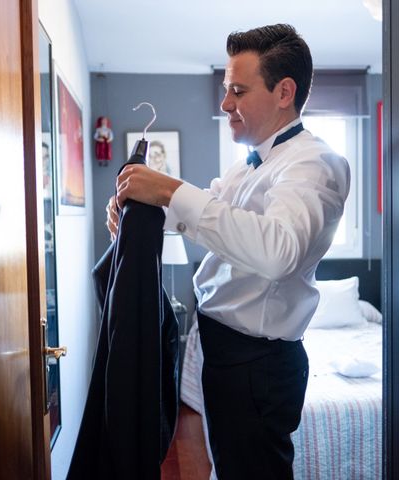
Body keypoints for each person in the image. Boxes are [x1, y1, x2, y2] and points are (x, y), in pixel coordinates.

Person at [108, 24, 350, 479]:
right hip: (224, 352)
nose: (224, 105)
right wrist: (142, 213)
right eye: (225, 90)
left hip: (256, 365)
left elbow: (278, 251)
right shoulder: (250, 165)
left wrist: (171, 190)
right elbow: (209, 213)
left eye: (238, 91)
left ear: (284, 92)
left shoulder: (314, 164)